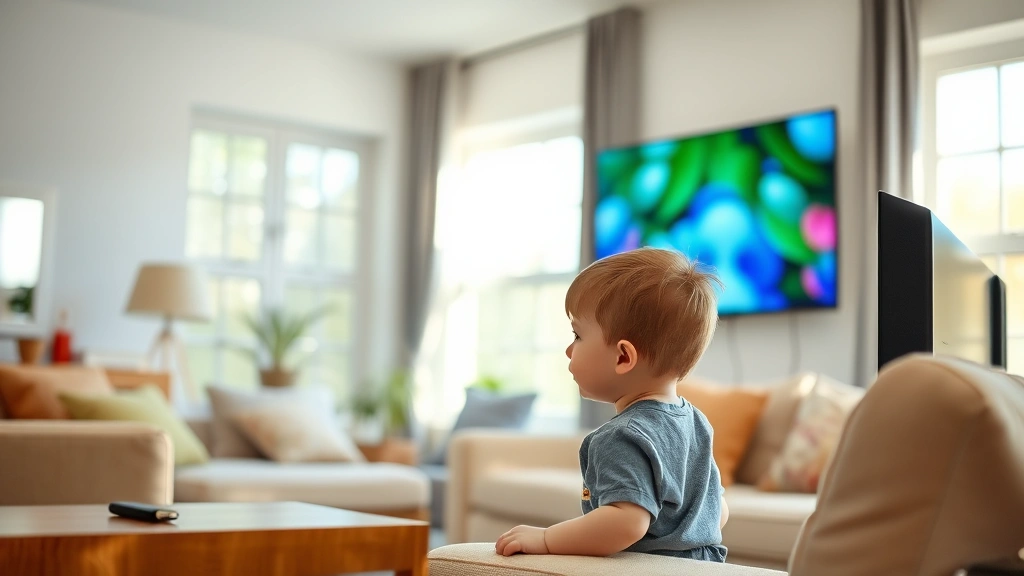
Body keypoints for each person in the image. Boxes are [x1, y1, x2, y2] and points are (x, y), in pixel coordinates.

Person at [495, 247, 729, 561]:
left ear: (623, 357)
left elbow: (626, 523)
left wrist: (547, 539)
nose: (568, 350)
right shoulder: (696, 422)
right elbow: (719, 510)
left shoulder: (621, 437)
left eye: (577, 335)